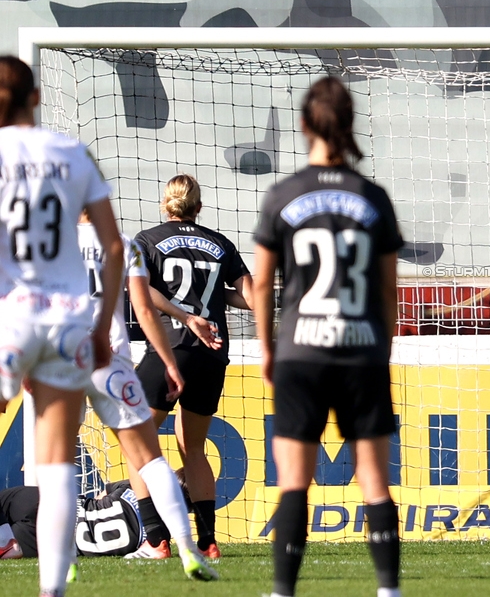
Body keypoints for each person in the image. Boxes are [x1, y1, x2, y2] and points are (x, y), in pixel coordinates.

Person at [253, 77, 403, 597]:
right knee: (374, 480)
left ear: (303, 125)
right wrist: (380, 351)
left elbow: (262, 284)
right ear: (350, 124)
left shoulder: (283, 195)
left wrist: (267, 348)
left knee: (295, 480)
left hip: (301, 351)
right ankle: (388, 590)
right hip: (362, 352)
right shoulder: (373, 197)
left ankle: (283, 592)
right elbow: (388, 289)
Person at [0, 55, 123, 597]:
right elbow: (113, 247)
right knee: (56, 464)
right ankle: (52, 590)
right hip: (69, 320)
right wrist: (102, 327)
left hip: (12, 316)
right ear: (37, 96)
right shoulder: (73, 153)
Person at [75, 212, 217, 580]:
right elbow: (143, 310)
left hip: (63, 359)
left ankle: (62, 564)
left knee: (55, 462)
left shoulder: (50, 243)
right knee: (150, 459)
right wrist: (169, 362)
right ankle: (187, 548)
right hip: (111, 359)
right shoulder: (124, 244)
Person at [127, 173, 252, 560]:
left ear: (165, 203)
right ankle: (208, 541)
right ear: (199, 207)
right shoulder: (221, 243)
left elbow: (141, 290)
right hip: (212, 352)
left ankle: (155, 539)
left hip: (172, 348)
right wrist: (212, 296)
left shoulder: (146, 240)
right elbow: (251, 297)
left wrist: (183, 314)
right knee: (193, 449)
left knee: (137, 441)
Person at [0, 472, 194, 561]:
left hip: (59, 504)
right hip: (60, 542)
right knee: (11, 548)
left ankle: (4, 537)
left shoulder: (138, 486)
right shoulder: (159, 537)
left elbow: (101, 496)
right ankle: (10, 545)